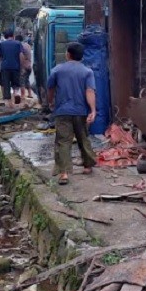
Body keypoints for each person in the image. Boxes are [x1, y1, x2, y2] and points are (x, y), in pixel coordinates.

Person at [47, 42, 97, 185]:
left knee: (63, 141)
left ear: (68, 54)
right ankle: (87, 166)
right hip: (81, 111)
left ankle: (64, 173)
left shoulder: (57, 70)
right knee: (83, 138)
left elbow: (50, 88)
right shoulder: (87, 72)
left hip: (62, 111)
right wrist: (93, 110)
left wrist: (50, 102)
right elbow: (90, 91)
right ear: (81, 56)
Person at [0, 29, 23, 107]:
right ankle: (16, 93)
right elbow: (21, 55)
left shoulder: (1, 44)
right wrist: (21, 67)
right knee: (16, 83)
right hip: (15, 67)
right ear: (13, 36)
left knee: (6, 84)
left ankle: (9, 103)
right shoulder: (18, 43)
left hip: (5, 67)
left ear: (5, 36)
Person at [16, 34, 34, 99]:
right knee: (27, 80)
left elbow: (21, 57)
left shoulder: (20, 46)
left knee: (22, 81)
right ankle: (30, 94)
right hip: (29, 66)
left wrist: (22, 67)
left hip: (24, 66)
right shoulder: (28, 45)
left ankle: (22, 95)